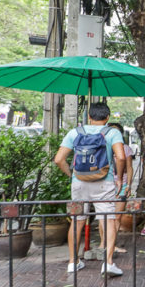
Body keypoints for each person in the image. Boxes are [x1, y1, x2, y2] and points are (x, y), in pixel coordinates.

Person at [52, 102, 126, 276]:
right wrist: (120, 179)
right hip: (104, 183)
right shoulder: (112, 132)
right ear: (107, 118)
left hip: (79, 184)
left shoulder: (74, 133)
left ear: (89, 117)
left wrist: (72, 175)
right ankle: (107, 263)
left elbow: (58, 159)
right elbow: (121, 157)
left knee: (77, 220)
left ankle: (72, 262)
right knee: (108, 220)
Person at [97, 122, 133, 256]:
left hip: (122, 184)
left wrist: (128, 185)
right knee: (103, 216)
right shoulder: (100, 147)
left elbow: (129, 168)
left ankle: (112, 244)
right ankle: (103, 244)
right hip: (104, 183)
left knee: (117, 216)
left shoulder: (126, 148)